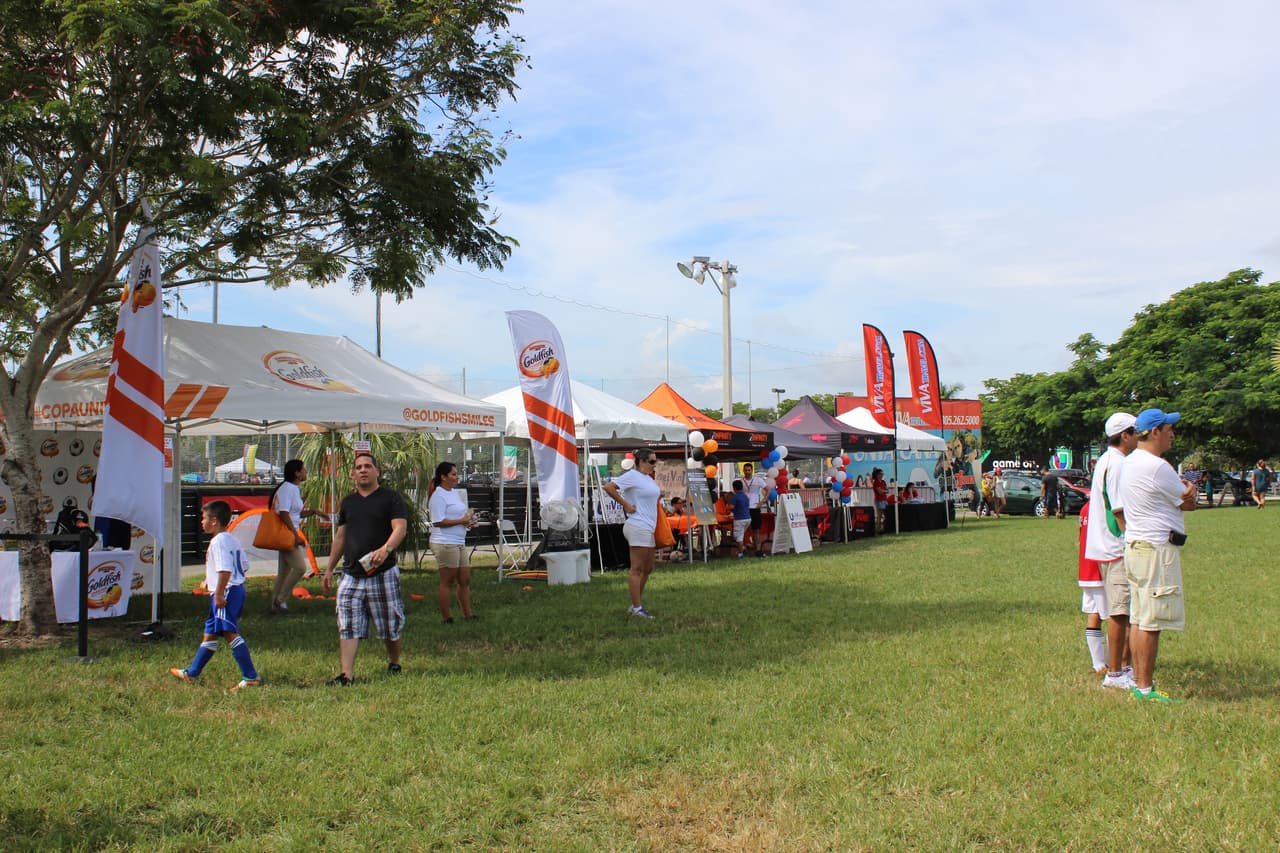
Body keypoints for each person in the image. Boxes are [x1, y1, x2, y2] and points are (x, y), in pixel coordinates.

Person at [1120, 409, 1197, 703]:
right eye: (1169, 429)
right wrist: (1189, 495)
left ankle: (1139, 683)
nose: (1172, 434)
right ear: (1154, 432)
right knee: (1151, 622)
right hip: (1156, 550)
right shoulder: (1157, 466)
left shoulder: (1131, 463)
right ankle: (1144, 688)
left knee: (1140, 618)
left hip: (1138, 547)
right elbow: (1188, 500)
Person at [322, 453, 409, 685]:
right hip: (351, 574)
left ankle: (394, 661)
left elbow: (400, 528)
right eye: (358, 467)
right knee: (347, 624)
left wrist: (386, 549)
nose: (363, 470)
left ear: (377, 471)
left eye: (368, 466)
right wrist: (329, 568)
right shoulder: (348, 502)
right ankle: (346, 675)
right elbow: (341, 537)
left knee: (391, 625)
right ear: (353, 474)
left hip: (383, 572)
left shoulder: (391, 498)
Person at [170, 500, 260, 694]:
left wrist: (218, 592)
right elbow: (243, 566)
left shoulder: (218, 541)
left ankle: (251, 676)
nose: (201, 522)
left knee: (229, 632)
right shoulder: (232, 539)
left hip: (226, 592)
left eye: (204, 518)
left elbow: (225, 568)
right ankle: (192, 673)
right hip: (234, 589)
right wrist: (210, 581)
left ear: (214, 520)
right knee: (210, 632)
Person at [1084, 412, 1139, 689]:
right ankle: (1115, 673)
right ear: (1125, 435)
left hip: (1108, 546)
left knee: (1124, 611)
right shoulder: (1116, 463)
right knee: (1119, 612)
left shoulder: (1108, 460)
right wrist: (1131, 540)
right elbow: (1118, 509)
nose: (1139, 437)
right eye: (1136, 432)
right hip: (1116, 546)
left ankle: (1124, 668)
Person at [602, 450, 661, 618]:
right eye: (651, 461)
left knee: (648, 568)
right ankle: (636, 608)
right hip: (637, 525)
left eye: (655, 461)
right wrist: (626, 505)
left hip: (648, 526)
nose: (653, 465)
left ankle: (637, 604)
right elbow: (609, 487)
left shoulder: (647, 478)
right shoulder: (633, 476)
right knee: (637, 569)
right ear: (641, 461)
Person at [428, 461, 476, 624]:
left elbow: (459, 516)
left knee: (464, 579)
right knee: (447, 580)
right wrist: (461, 520)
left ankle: (468, 615)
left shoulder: (453, 493)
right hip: (444, 542)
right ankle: (447, 617)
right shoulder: (438, 495)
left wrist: (468, 521)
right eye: (453, 474)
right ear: (443, 477)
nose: (457, 477)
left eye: (457, 474)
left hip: (459, 540)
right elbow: (438, 521)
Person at [269, 459, 318, 615]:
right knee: (300, 568)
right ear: (297, 473)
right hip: (288, 535)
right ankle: (281, 599)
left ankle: (276, 605)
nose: (306, 472)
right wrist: (295, 535)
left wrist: (314, 512)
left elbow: (294, 513)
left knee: (284, 571)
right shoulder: (288, 488)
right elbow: (284, 513)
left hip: (288, 533)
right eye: (303, 469)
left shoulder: (292, 489)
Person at [741, 462, 768, 558]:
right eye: (746, 470)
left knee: (756, 530)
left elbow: (767, 490)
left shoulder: (758, 480)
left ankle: (758, 550)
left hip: (755, 508)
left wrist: (762, 501)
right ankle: (743, 549)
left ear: (751, 470)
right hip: (744, 509)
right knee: (743, 530)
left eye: (749, 470)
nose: (747, 472)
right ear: (743, 470)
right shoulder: (741, 481)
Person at [729, 479, 751, 558]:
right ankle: (743, 548)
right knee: (740, 535)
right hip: (748, 518)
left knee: (738, 537)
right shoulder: (745, 496)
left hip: (739, 519)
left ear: (734, 488)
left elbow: (731, 507)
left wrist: (729, 506)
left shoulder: (735, 497)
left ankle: (741, 553)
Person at [871, 468, 889, 532]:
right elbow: (880, 492)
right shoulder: (876, 482)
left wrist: (884, 491)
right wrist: (884, 491)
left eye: (882, 474)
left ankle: (884, 528)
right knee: (879, 515)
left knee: (887, 514)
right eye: (880, 474)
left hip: (885, 499)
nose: (882, 475)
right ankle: (878, 529)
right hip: (879, 500)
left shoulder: (883, 482)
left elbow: (887, 491)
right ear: (877, 475)